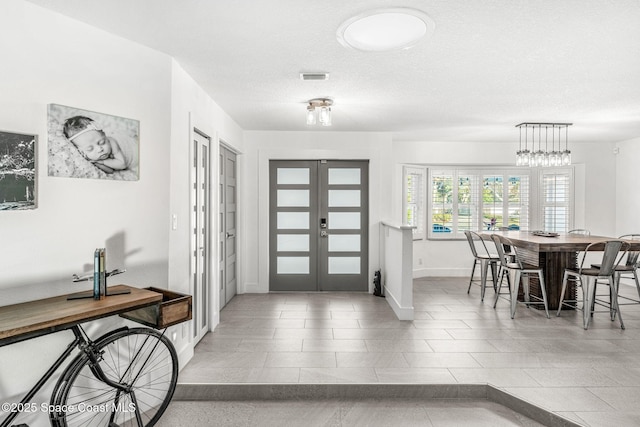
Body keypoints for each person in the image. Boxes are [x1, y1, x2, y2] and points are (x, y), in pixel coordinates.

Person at [62, 116, 135, 174]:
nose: (100, 149)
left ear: (105, 136)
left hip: (133, 145)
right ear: (81, 152)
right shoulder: (89, 158)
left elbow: (122, 164)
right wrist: (98, 164)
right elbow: (110, 171)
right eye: (90, 149)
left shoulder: (111, 142)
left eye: (102, 142)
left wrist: (103, 162)